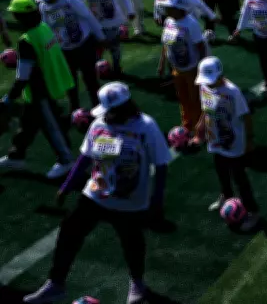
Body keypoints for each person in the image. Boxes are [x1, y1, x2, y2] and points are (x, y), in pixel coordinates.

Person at [23, 82, 171, 304]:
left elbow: (161, 164)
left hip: (128, 202)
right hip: (95, 194)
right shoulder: (100, 124)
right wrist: (67, 185)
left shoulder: (147, 128)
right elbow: (86, 156)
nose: (106, 115)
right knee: (69, 234)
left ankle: (137, 286)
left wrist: (157, 200)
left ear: (124, 108)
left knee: (132, 244)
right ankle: (55, 284)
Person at [0, 0, 75, 179]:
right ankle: (16, 156)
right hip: (54, 83)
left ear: (20, 17)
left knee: (52, 126)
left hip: (41, 91)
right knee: (28, 125)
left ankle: (66, 161)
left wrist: (9, 98)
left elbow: (23, 76)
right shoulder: (43, 28)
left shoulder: (27, 40)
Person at [192, 57, 260, 231]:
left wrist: (249, 140)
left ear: (220, 75)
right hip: (215, 140)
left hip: (234, 143)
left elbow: (245, 116)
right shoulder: (204, 87)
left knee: (240, 178)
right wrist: (201, 125)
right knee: (221, 171)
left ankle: (253, 212)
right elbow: (206, 109)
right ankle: (226, 196)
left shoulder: (232, 92)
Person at [34, 0, 104, 112]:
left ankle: (98, 106)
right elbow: (47, 28)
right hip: (64, 49)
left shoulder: (70, 0)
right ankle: (75, 108)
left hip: (83, 44)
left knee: (90, 78)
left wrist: (100, 36)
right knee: (70, 81)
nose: (46, 0)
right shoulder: (43, 6)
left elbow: (88, 16)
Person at [156, 0, 207, 134]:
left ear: (179, 8)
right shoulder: (169, 22)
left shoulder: (191, 24)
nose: (166, 9)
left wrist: (201, 70)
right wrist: (162, 64)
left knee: (195, 99)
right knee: (183, 98)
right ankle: (187, 124)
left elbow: (200, 46)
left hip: (191, 68)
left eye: (170, 7)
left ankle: (199, 128)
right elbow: (166, 44)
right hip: (176, 68)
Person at [77, 0, 134, 76]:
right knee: (96, 45)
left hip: (111, 19)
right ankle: (99, 66)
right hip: (94, 20)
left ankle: (117, 67)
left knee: (114, 45)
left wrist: (130, 11)